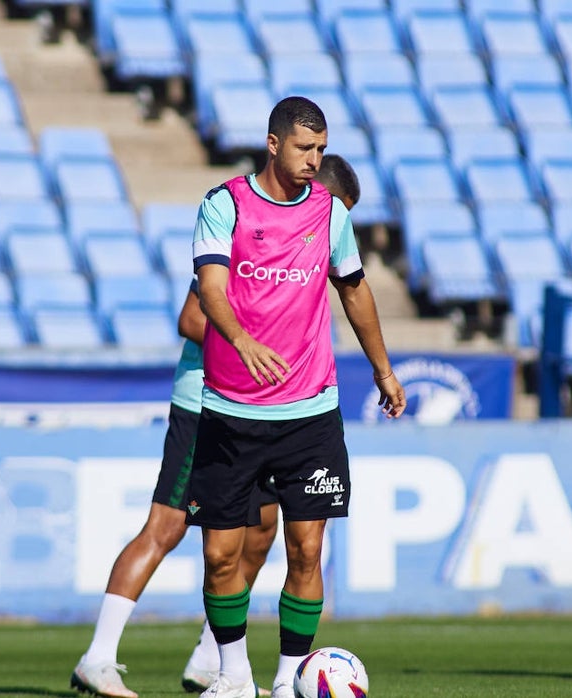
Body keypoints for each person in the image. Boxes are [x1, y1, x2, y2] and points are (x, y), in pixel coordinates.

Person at [69, 152, 364, 698]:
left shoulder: (310, 237)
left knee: (263, 534)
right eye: (336, 210)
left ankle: (214, 662)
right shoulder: (241, 227)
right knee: (169, 527)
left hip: (279, 406)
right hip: (208, 404)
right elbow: (191, 317)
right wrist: (258, 347)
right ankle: (98, 656)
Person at [188, 96, 405, 698]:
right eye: (305, 148)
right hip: (231, 411)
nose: (315, 159)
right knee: (221, 557)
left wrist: (384, 371)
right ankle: (234, 676)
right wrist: (239, 339)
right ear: (275, 143)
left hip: (310, 412)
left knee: (307, 549)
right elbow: (209, 286)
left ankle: (287, 683)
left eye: (322, 149)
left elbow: (355, 292)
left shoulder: (331, 215)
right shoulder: (224, 205)